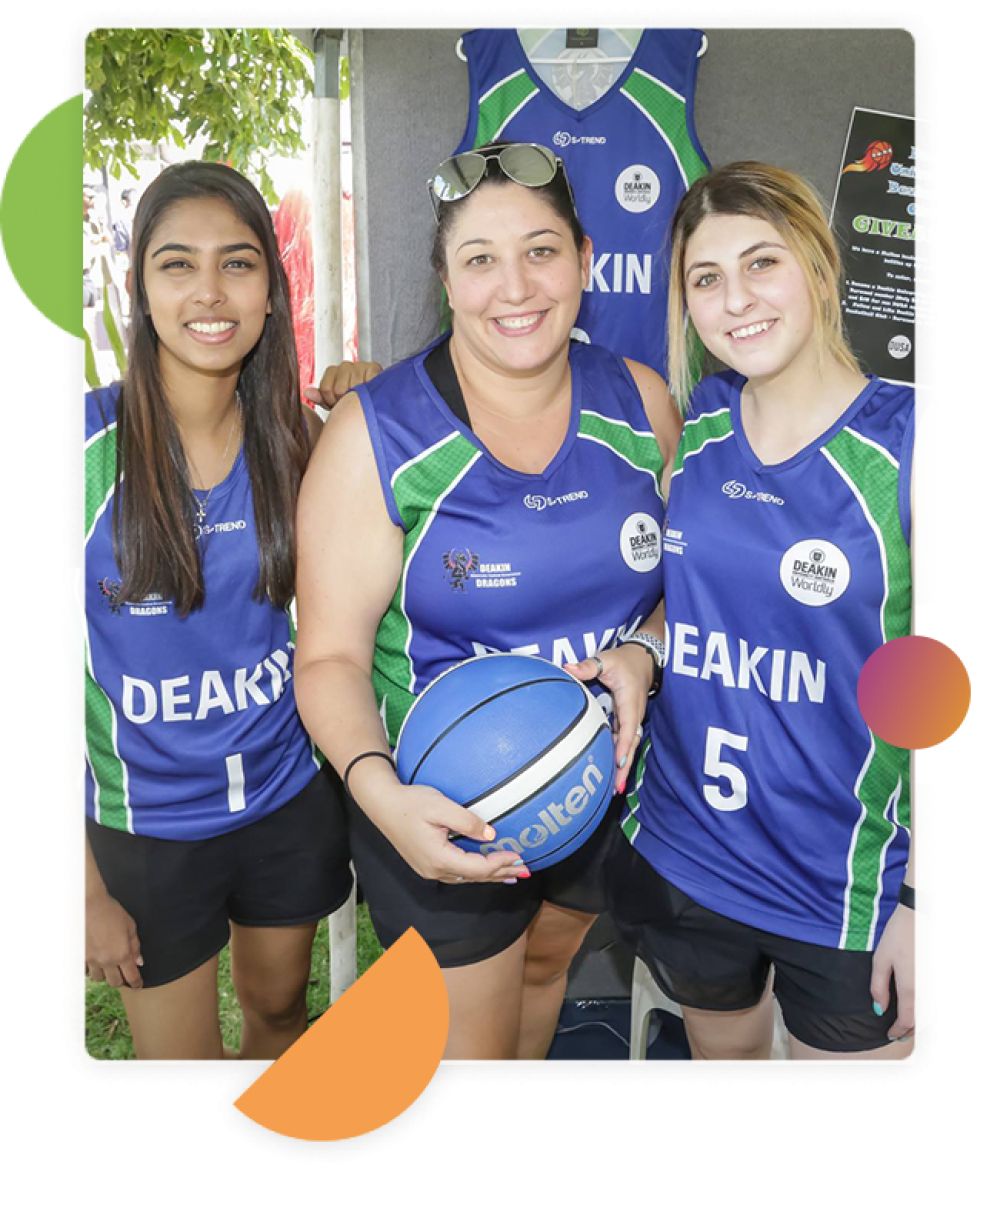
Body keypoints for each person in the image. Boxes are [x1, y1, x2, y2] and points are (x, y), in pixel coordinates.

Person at [294, 142, 679, 1064]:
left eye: (542, 251)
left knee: (545, 972)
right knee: (465, 1049)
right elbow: (330, 659)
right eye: (480, 259)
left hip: (595, 784)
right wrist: (384, 799)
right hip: (439, 801)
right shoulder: (376, 434)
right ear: (446, 281)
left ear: (586, 260)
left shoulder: (643, 403)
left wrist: (645, 652)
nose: (516, 286)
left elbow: (686, 592)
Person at [600, 161, 937, 1066]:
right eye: (706, 278)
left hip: (845, 887)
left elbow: (950, 697)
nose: (736, 300)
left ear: (818, 265)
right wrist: (643, 650)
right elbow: (696, 605)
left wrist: (927, 900)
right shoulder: (701, 426)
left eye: (762, 263)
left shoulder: (918, 442)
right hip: (692, 853)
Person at [64, 162, 353, 1066]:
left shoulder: (303, 443)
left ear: (271, 288)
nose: (209, 291)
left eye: (237, 263)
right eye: (177, 264)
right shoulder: (80, 449)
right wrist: (78, 888)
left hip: (284, 798)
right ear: (139, 287)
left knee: (280, 1021)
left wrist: (373, 408)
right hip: (146, 828)